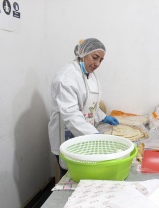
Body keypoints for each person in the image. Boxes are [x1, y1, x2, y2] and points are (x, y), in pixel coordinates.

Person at [48, 38, 119, 176]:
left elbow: (90, 104)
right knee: (71, 174)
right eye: (95, 57)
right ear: (82, 53)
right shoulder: (66, 78)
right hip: (66, 132)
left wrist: (103, 117)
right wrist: (93, 135)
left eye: (101, 60)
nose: (97, 63)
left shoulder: (89, 74)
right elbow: (71, 115)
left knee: (84, 172)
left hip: (84, 132)